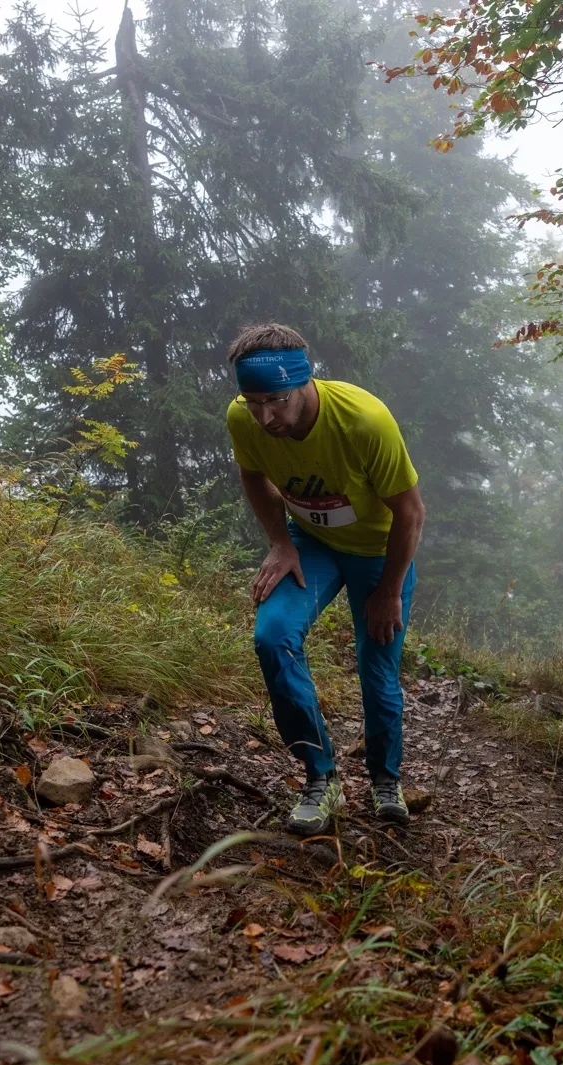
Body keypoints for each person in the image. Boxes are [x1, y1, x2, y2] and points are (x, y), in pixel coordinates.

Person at [225, 323, 426, 835]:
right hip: (311, 545)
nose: (265, 417)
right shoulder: (243, 417)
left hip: (378, 552)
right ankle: (321, 778)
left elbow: (410, 513)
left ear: (304, 381)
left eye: (276, 401)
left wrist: (388, 591)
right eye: (254, 402)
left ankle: (385, 780)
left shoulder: (363, 421)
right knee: (273, 636)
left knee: (377, 668)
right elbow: (252, 474)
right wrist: (280, 541)